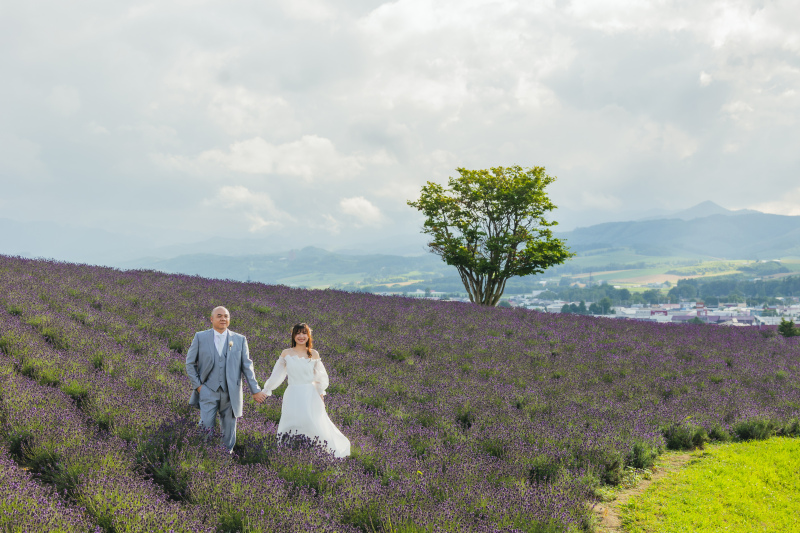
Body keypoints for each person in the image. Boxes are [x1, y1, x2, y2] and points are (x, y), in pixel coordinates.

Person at [262, 323, 350, 458]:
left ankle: (317, 453)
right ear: (293, 335)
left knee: (313, 422)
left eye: (304, 333)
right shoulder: (286, 353)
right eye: (298, 333)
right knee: (290, 422)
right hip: (292, 393)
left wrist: (321, 394)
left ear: (308, 335)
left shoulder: (313, 354)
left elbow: (320, 377)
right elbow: (277, 374)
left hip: (310, 394)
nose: (301, 336)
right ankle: (287, 452)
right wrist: (267, 389)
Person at [186, 306, 267, 452]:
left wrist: (255, 390)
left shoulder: (240, 339)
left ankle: (225, 458)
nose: (223, 318)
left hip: (231, 393)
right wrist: (198, 386)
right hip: (207, 390)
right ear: (212, 319)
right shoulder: (200, 337)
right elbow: (190, 363)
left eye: (226, 316)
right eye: (219, 316)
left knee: (229, 429)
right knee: (205, 426)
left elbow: (247, 366)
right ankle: (203, 456)